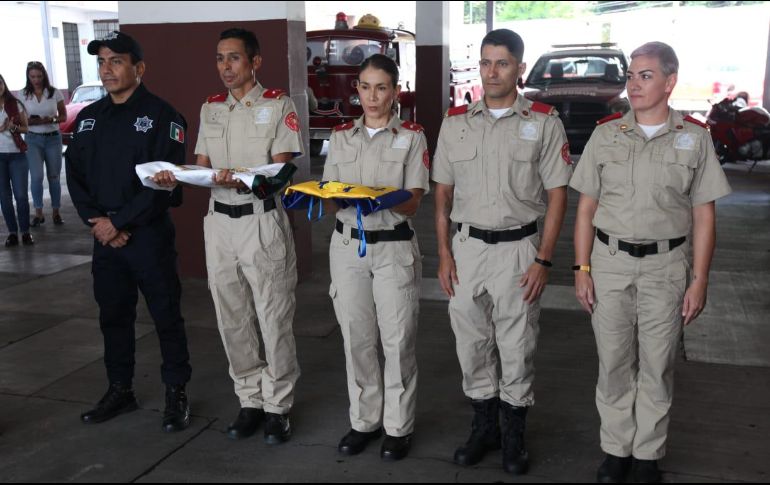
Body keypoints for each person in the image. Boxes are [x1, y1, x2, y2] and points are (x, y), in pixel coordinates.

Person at [570, 41, 731, 483]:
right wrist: (581, 269)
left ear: (669, 81)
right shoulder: (606, 135)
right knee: (614, 363)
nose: (634, 84)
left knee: (657, 365)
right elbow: (585, 209)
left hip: (666, 267)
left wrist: (699, 280)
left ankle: (647, 455)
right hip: (610, 264)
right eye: (631, 75)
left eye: (645, 75)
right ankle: (616, 450)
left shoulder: (695, 138)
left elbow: (704, 216)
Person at [432, 29, 571, 475]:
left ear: (519, 69)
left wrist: (543, 259)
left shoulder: (545, 123)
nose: (492, 72)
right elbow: (442, 197)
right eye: (486, 63)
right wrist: (444, 254)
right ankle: (484, 427)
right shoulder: (455, 123)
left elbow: (558, 196)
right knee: (471, 344)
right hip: (467, 248)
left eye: (502, 63)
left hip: (519, 251)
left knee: (516, 346)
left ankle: (513, 434)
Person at [154, 28, 302, 444]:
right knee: (231, 316)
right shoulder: (211, 109)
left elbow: (283, 171)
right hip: (218, 222)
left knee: (273, 317)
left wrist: (242, 179)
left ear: (255, 62)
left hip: (260, 221)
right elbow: (202, 166)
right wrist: (174, 176)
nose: (225, 67)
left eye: (234, 58)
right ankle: (250, 400)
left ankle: (278, 406)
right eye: (220, 59)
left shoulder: (277, 105)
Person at [65, 31, 192, 432]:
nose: (107, 70)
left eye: (116, 61)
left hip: (147, 237)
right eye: (102, 62)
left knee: (166, 317)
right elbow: (76, 178)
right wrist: (99, 224)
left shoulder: (163, 117)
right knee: (113, 317)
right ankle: (120, 389)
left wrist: (119, 223)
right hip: (105, 238)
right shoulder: (88, 119)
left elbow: (163, 183)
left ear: (139, 68)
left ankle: (176, 392)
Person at [321, 54, 429, 461]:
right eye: (364, 87)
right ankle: (364, 421)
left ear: (395, 91)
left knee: (397, 340)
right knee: (357, 339)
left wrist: (381, 199)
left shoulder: (412, 136)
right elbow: (332, 197)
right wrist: (317, 196)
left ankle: (398, 426)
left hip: (393, 247)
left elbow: (414, 202)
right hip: (348, 247)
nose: (372, 96)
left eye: (381, 87)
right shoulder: (342, 136)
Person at [22, 61, 67, 227]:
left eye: (39, 76)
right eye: (33, 76)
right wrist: (30, 121)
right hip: (33, 138)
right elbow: (20, 119)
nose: (36, 80)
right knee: (36, 177)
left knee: (54, 176)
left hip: (53, 137)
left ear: (44, 75)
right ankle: (38, 212)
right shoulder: (22, 94)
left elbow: (63, 116)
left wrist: (52, 119)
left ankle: (56, 212)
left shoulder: (54, 92)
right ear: (28, 76)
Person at [0, 73, 32, 247]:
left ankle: (25, 232)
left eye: (0, 83)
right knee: (4, 197)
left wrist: (14, 127)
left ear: (4, 84)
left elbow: (26, 129)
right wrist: (1, 128)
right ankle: (12, 232)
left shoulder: (15, 104)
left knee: (20, 195)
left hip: (17, 154)